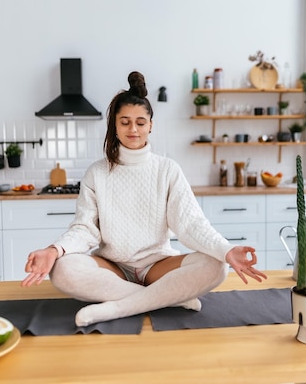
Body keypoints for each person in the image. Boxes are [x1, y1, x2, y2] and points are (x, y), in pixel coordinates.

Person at [21, 71, 267, 327]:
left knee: (216, 266)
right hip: (112, 266)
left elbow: (191, 223)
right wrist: (53, 250)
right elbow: (85, 229)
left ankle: (116, 308)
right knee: (62, 269)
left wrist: (225, 249)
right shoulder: (97, 172)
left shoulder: (167, 169)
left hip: (158, 265)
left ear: (151, 125)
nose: (133, 129)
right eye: (125, 122)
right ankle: (168, 298)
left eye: (140, 122)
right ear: (114, 126)